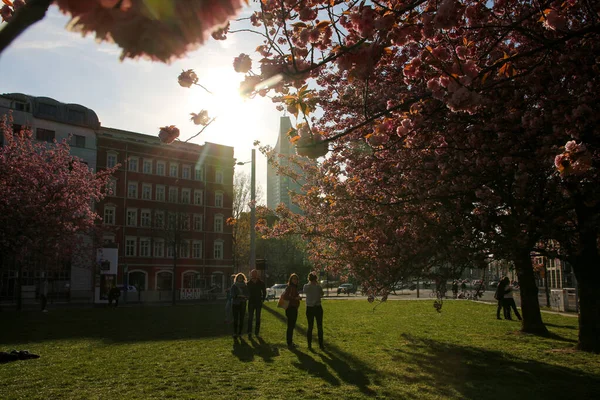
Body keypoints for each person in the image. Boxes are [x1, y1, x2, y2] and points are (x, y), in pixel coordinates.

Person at [303, 272, 325, 350]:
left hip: (309, 308)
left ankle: (309, 345)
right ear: (316, 279)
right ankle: (321, 344)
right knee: (319, 326)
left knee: (310, 326)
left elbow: (304, 292)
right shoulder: (318, 287)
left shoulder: (306, 286)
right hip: (318, 307)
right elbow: (322, 294)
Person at [282, 273, 302, 348]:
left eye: (296, 279)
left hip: (294, 308)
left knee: (292, 326)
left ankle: (290, 342)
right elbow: (285, 296)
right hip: (290, 308)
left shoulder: (294, 287)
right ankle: (289, 343)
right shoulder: (289, 287)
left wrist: (298, 298)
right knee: (290, 326)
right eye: (293, 279)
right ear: (290, 280)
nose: (295, 280)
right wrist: (294, 298)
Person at [246, 269, 266, 338]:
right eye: (252, 274)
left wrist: (262, 299)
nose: (253, 275)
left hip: (258, 302)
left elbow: (264, 291)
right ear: (251, 275)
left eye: (255, 273)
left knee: (258, 318)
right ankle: (249, 331)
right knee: (250, 318)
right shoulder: (248, 283)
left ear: (257, 275)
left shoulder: (261, 283)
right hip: (251, 302)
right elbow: (246, 292)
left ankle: (256, 332)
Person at [230, 273, 249, 337]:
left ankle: (240, 332)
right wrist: (239, 295)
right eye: (239, 277)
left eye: (241, 277)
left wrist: (245, 297)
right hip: (235, 303)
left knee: (241, 319)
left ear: (243, 278)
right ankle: (235, 332)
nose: (240, 278)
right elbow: (232, 295)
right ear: (237, 278)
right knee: (235, 318)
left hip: (242, 303)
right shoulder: (234, 286)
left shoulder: (245, 286)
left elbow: (247, 294)